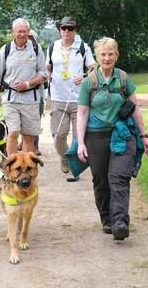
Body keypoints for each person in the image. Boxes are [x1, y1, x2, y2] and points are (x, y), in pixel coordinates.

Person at [75, 37, 148, 240]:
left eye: (110, 54)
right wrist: (81, 143)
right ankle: (107, 219)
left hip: (121, 134)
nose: (107, 58)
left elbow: (135, 109)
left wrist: (144, 136)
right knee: (101, 181)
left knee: (118, 177)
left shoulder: (124, 78)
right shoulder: (88, 82)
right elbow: (82, 114)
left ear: (116, 56)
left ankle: (120, 222)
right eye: (103, 54)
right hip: (96, 136)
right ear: (97, 56)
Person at [47, 16, 95, 180]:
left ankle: (75, 169)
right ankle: (64, 157)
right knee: (58, 134)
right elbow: (48, 67)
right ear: (60, 29)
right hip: (58, 97)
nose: (66, 31)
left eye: (70, 28)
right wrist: (47, 76)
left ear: (76, 30)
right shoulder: (52, 47)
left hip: (79, 99)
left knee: (78, 137)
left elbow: (93, 69)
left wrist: (84, 77)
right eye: (64, 28)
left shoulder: (83, 47)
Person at [0, 18, 47, 155]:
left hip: (30, 100)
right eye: (19, 31)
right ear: (13, 32)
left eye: (24, 31)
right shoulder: (6, 50)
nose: (22, 34)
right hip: (11, 99)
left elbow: (43, 74)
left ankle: (25, 170)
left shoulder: (35, 48)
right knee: (13, 133)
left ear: (29, 32)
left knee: (28, 137)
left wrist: (28, 84)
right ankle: (12, 167)